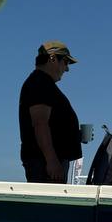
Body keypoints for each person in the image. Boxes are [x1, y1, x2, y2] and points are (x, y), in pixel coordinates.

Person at [19, 41, 82, 183]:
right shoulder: (40, 83)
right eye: (66, 62)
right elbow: (40, 123)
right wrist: (52, 161)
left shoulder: (42, 83)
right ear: (52, 58)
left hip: (46, 163)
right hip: (45, 165)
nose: (67, 69)